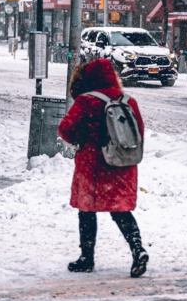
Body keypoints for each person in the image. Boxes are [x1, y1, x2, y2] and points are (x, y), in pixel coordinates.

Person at [58, 59, 149, 278]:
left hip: (93, 165)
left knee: (87, 211)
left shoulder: (86, 100)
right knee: (121, 211)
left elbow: (65, 129)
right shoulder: (128, 101)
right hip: (122, 163)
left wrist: (80, 140)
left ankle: (86, 258)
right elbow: (139, 132)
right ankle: (138, 249)